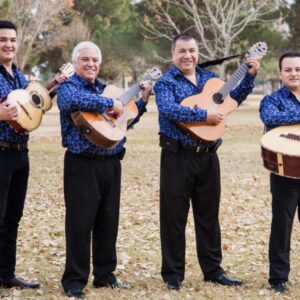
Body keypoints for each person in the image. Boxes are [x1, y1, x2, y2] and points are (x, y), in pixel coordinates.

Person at [154, 32, 261, 290]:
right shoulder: (165, 82)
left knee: (208, 217)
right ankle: (173, 274)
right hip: (177, 156)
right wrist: (204, 115)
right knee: (173, 217)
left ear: (197, 52)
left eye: (191, 50)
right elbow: (168, 109)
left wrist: (250, 76)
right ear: (173, 54)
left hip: (208, 157)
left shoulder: (209, 79)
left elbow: (232, 99)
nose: (187, 55)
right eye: (182, 51)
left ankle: (213, 270)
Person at [57, 41, 152, 299]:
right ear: (76, 62)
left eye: (95, 60)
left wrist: (141, 101)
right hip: (81, 164)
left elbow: (123, 120)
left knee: (108, 222)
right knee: (79, 224)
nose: (90, 64)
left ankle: (105, 276)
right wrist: (109, 101)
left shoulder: (105, 88)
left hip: (111, 163)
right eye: (85, 59)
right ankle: (74, 281)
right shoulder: (68, 86)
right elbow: (71, 101)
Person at [0, 20, 41, 290]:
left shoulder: (19, 76)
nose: (9, 44)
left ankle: (6, 275)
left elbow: (30, 106)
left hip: (20, 154)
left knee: (12, 218)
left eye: (13, 40)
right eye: (3, 39)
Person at [259, 51, 300, 293]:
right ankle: (278, 278)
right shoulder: (270, 100)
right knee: (282, 225)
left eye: (298, 69)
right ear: (280, 73)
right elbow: (271, 118)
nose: (294, 73)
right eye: (289, 70)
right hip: (286, 172)